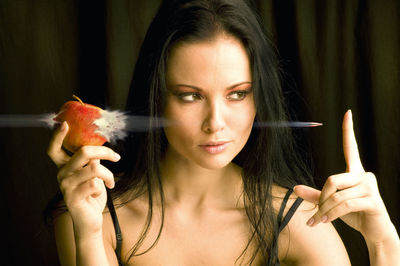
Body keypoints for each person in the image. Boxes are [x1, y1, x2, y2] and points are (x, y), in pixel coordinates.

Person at [46, 0, 400, 265]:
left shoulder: (298, 222)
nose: (216, 122)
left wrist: (383, 243)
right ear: (156, 99)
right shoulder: (96, 216)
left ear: (258, 98)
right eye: (190, 96)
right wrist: (89, 236)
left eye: (237, 94)